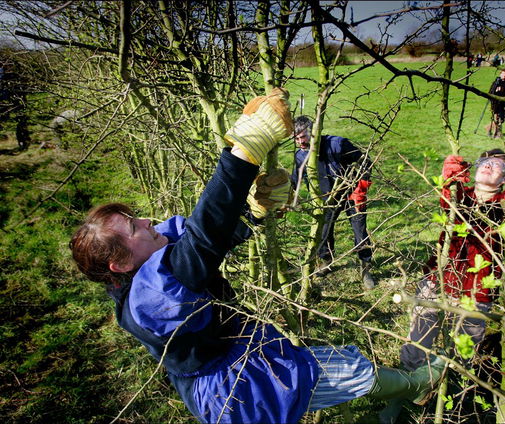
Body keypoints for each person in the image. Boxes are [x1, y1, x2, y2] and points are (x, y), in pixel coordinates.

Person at [70, 89, 445, 424]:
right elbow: (202, 241)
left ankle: (407, 389)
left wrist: (253, 214)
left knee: (338, 370)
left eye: (134, 217)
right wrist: (245, 151)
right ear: (119, 264)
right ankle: (416, 384)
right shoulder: (148, 299)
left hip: (236, 371)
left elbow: (202, 246)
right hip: (236, 393)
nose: (147, 220)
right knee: (347, 370)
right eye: (135, 228)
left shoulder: (145, 273)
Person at [378, 149, 505, 424]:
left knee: (461, 353)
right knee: (418, 343)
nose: (489, 166)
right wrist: (451, 177)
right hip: (438, 280)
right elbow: (446, 200)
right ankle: (399, 396)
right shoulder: (459, 196)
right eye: (485, 162)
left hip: (478, 290)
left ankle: (445, 398)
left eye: (498, 165)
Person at [291, 116, 376, 289]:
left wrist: (361, 187)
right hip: (327, 198)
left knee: (360, 231)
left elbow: (365, 161)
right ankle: (327, 261)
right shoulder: (300, 155)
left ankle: (365, 268)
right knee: (323, 232)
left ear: (313, 133)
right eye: (296, 138)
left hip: (351, 193)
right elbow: (297, 179)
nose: (300, 142)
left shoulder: (337, 145)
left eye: (303, 137)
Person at [488, 68, 505, 138]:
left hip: (503, 103)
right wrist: (496, 90)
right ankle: (496, 133)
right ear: (500, 74)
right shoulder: (496, 82)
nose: (503, 75)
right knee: (496, 118)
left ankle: (491, 130)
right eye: (502, 74)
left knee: (502, 119)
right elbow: (491, 92)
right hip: (495, 103)